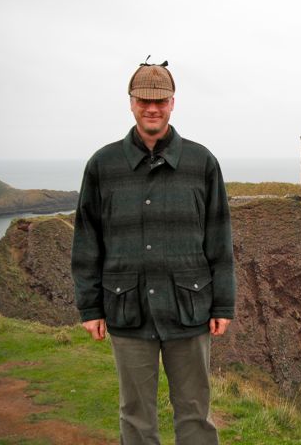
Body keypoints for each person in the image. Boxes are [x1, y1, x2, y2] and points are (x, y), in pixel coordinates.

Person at [72, 58, 236, 444]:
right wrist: (90, 307)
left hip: (190, 309)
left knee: (196, 412)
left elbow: (219, 238)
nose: (152, 107)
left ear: (173, 103)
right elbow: (87, 240)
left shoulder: (201, 162)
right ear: (130, 102)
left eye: (160, 100)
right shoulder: (102, 164)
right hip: (127, 309)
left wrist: (223, 305)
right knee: (135, 414)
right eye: (144, 99)